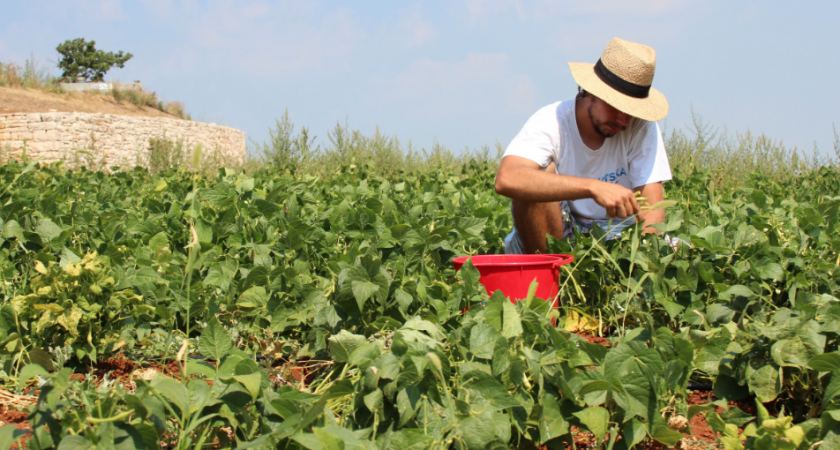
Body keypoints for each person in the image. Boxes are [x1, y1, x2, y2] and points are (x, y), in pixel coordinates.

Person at [495, 37, 672, 254]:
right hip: (557, 230)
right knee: (540, 174)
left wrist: (643, 261)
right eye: (615, 106)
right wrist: (593, 187)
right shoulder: (552, 120)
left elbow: (651, 210)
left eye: (632, 110)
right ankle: (549, 272)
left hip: (618, 235)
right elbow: (507, 178)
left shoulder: (641, 127)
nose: (623, 120)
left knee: (684, 256)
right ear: (588, 91)